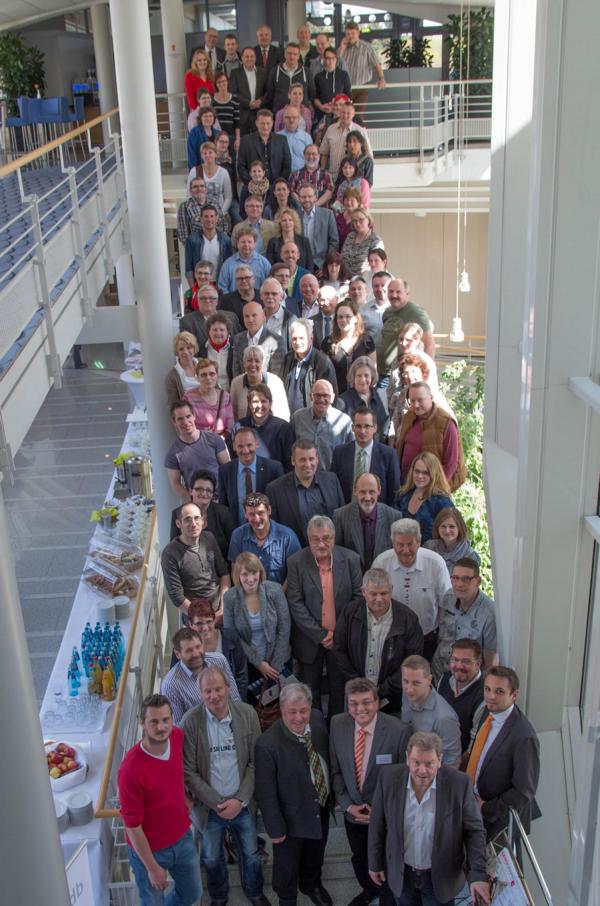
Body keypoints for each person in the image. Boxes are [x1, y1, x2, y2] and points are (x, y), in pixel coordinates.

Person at [180, 666, 270, 906]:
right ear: (200, 694)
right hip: (210, 808)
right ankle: (219, 897)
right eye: (207, 691)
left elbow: (255, 761)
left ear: (228, 688)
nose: (214, 696)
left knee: (251, 853)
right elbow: (188, 771)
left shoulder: (248, 714)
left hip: (242, 802)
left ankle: (254, 892)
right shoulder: (189, 723)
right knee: (211, 858)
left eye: (218, 689)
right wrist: (218, 803)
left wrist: (239, 799)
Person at [368, 731, 490, 906]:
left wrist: (478, 874)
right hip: (402, 876)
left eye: (429, 763)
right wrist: (374, 862)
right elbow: (377, 824)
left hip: (440, 879)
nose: (422, 771)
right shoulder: (387, 778)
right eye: (416, 763)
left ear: (440, 760)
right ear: (407, 758)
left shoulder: (459, 784)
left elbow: (474, 831)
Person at [329, 678, 410, 906]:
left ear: (377, 702)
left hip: (383, 814)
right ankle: (369, 888)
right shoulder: (337, 723)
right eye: (354, 703)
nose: (360, 709)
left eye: (366, 702)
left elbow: (404, 779)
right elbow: (336, 772)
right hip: (353, 811)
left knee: (385, 858)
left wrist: (381, 810)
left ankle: (385, 896)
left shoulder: (399, 731)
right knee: (359, 856)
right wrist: (347, 805)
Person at [118, 694, 202, 906]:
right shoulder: (130, 770)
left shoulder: (177, 736)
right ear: (142, 723)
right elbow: (132, 826)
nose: (162, 727)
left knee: (193, 893)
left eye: (166, 719)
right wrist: (153, 868)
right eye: (154, 721)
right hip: (150, 850)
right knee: (152, 902)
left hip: (182, 838)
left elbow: (177, 771)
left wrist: (184, 795)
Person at [255, 683, 332, 906]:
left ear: (310, 708)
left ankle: (311, 884)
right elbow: (265, 792)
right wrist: (275, 828)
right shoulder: (266, 744)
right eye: (292, 712)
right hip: (289, 819)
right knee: (286, 866)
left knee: (315, 853)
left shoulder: (317, 719)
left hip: (320, 805)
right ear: (281, 710)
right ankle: (287, 897)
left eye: (303, 711)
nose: (299, 718)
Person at [286, 515, 362, 716]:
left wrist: (338, 634)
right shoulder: (295, 562)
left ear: (334, 538)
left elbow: (357, 599)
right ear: (308, 539)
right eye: (315, 539)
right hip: (309, 640)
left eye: (326, 538)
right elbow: (295, 602)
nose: (321, 543)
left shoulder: (351, 560)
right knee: (310, 690)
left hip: (341, 639)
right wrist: (320, 635)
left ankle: (336, 730)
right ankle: (315, 731)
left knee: (339, 690)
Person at [334, 568, 424, 715]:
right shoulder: (349, 613)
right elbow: (339, 650)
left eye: (384, 593)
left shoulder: (408, 619)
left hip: (393, 697)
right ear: (363, 592)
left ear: (391, 590)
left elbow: (412, 660)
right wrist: (357, 684)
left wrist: (383, 689)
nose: (379, 599)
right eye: (373, 594)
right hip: (356, 694)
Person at [466, 666, 540, 841]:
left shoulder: (524, 736)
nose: (491, 696)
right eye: (488, 689)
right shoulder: (489, 711)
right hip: (473, 806)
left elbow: (524, 791)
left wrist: (486, 808)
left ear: (514, 695)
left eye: (499, 691)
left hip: (497, 821)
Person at [371, 519, 451, 660]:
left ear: (419, 542)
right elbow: (372, 602)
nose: (405, 550)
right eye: (400, 545)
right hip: (390, 640)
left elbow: (447, 603)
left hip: (428, 640)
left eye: (410, 544)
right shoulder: (381, 563)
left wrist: (444, 639)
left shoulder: (436, 563)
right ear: (393, 543)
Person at [223, 552, 291, 688]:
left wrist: (275, 666)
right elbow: (232, 636)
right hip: (248, 664)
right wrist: (259, 663)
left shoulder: (275, 590)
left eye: (254, 573)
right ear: (237, 576)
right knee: (253, 708)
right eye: (245, 574)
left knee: (282, 706)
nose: (250, 579)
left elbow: (284, 628)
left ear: (260, 572)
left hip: (278, 662)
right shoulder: (230, 597)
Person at [265, 440, 345, 546]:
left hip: (330, 551)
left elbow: (342, 518)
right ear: (293, 461)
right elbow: (273, 529)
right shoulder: (275, 489)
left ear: (317, 459)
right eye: (302, 460)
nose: (308, 464)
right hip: (295, 554)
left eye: (311, 459)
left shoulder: (332, 480)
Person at [161, 502, 231, 618]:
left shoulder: (209, 538)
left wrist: (224, 608)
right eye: (187, 520)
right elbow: (177, 597)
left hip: (221, 608)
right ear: (178, 524)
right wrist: (204, 619)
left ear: (202, 521)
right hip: (195, 617)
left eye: (197, 518)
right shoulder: (170, 554)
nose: (193, 524)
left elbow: (224, 573)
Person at [433, 560, 498, 684]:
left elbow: (490, 657)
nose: (459, 584)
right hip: (440, 671)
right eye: (455, 578)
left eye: (466, 579)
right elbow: (441, 635)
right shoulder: (448, 597)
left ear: (478, 581)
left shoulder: (489, 613)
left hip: (466, 678)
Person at [161, 628, 240, 724]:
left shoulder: (219, 660)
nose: (196, 654)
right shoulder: (171, 685)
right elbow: (179, 725)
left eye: (198, 647)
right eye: (189, 650)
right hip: (200, 734)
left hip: (230, 721)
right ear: (178, 654)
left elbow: (235, 698)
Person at [397, 382, 466, 490]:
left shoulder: (446, 423)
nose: (415, 405)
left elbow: (451, 463)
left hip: (431, 489)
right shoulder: (409, 416)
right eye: (412, 401)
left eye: (420, 400)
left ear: (431, 397)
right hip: (406, 485)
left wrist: (435, 490)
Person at [400, 656, 462, 768]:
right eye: (405, 681)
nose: (409, 689)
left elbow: (452, 762)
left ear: (429, 680)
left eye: (416, 683)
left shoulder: (444, 718)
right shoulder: (408, 694)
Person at [331, 408, 400, 507]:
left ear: (375, 428)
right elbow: (333, 487)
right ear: (352, 428)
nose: (362, 431)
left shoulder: (388, 455)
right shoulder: (339, 453)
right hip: (346, 514)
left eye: (367, 426)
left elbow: (394, 491)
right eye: (358, 426)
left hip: (378, 515)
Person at [228, 492, 301, 585]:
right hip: (247, 596)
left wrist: (279, 595)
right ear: (245, 514)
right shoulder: (237, 535)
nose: (257, 519)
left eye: (260, 513)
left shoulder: (287, 536)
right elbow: (235, 570)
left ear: (269, 510)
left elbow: (294, 573)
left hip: (280, 595)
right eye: (251, 514)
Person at [165, 401, 230, 501]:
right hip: (197, 503)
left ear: (194, 416)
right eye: (180, 419)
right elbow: (175, 483)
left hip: (221, 499)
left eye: (188, 416)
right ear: (174, 422)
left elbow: (228, 469)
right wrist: (190, 501)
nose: (185, 422)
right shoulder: (173, 453)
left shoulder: (214, 439)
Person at [333, 473, 399, 571]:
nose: (367, 498)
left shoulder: (394, 517)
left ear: (379, 490)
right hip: (353, 580)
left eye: (372, 492)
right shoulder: (340, 516)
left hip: (384, 578)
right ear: (355, 491)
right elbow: (337, 555)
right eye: (362, 492)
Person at [218, 426, 283, 526]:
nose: (245, 450)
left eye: (249, 445)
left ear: (257, 444)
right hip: (237, 533)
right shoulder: (225, 471)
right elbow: (223, 507)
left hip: (266, 531)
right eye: (240, 446)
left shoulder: (273, 468)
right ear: (234, 447)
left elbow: (279, 504)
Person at [187, 598, 248, 701]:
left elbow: (241, 674)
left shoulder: (230, 637)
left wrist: (238, 705)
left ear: (214, 620)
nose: (205, 628)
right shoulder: (184, 647)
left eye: (209, 621)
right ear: (190, 624)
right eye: (199, 623)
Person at [169, 469, 235, 560]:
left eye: (208, 490)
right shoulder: (178, 514)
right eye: (199, 489)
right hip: (189, 569)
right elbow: (174, 549)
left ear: (212, 494)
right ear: (190, 491)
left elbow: (233, 547)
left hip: (221, 569)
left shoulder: (224, 513)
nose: (204, 493)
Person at [290, 379, 353, 470]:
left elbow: (350, 454)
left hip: (332, 478)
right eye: (318, 395)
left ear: (332, 397)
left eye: (325, 396)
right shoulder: (298, 418)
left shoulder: (344, 422)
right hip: (303, 475)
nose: (321, 399)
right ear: (311, 396)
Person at [378, 279, 435, 379]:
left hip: (403, 374)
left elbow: (429, 343)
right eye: (391, 291)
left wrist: (424, 372)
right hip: (382, 373)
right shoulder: (387, 312)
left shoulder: (417, 313)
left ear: (407, 293)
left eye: (398, 292)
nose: (394, 295)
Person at [437, 639, 485, 754]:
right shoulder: (444, 679)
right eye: (455, 660)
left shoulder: (484, 694)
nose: (459, 666)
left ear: (478, 664)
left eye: (466, 661)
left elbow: (474, 746)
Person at [396, 452, 454, 543]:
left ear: (434, 474)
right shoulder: (403, 495)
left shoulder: (442, 502)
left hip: (431, 554)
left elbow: (453, 534)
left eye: (425, 473)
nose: (420, 476)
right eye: (417, 471)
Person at [236, 384, 295, 471]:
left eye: (263, 401)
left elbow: (290, 463)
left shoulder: (283, 428)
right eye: (255, 402)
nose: (259, 405)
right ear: (249, 404)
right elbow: (233, 459)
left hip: (275, 480)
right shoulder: (239, 426)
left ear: (270, 403)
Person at [282, 319, 338, 411]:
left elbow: (331, 398)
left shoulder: (323, 363)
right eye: (294, 339)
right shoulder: (288, 359)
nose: (298, 342)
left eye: (301, 338)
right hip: (289, 419)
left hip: (311, 420)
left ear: (311, 339)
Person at [320, 305, 376, 396]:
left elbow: (373, 373)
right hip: (337, 397)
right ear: (336, 320)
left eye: (348, 316)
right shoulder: (328, 343)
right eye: (340, 317)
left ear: (355, 318)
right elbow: (322, 373)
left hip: (361, 397)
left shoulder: (367, 341)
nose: (344, 320)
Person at [338, 22, 386, 118]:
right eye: (348, 34)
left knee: (359, 117)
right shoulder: (343, 48)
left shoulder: (366, 47)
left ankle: (359, 133)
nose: (350, 36)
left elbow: (376, 64)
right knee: (344, 116)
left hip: (361, 88)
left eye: (353, 33)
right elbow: (336, 64)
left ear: (358, 33)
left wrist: (381, 78)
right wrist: (342, 48)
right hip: (345, 88)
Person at [229, 345, 290, 421]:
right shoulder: (236, 383)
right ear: (244, 363)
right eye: (249, 360)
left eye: (257, 361)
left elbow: (283, 414)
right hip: (245, 429)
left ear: (263, 363)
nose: (253, 364)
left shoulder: (276, 382)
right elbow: (233, 413)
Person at [320, 101, 373, 182]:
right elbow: (324, 153)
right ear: (339, 113)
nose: (345, 115)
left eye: (348, 113)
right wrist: (323, 173)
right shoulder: (330, 129)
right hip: (331, 178)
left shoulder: (360, 131)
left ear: (353, 114)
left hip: (351, 179)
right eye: (343, 112)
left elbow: (369, 155)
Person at [182, 357, 234, 440]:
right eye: (203, 375)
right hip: (198, 445)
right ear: (197, 378)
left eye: (212, 374)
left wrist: (222, 439)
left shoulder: (225, 396)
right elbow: (185, 425)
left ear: (217, 376)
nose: (208, 378)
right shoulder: (188, 398)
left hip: (222, 444)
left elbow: (230, 424)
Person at [338, 357, 389, 440]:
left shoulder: (381, 394)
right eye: (359, 376)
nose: (363, 379)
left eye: (366, 375)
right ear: (353, 377)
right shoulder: (342, 401)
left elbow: (386, 423)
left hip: (379, 447)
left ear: (372, 376)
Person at [237, 108, 291, 185]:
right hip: (252, 188)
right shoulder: (245, 141)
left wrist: (279, 183)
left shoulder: (282, 140)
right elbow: (241, 167)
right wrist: (253, 184)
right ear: (256, 123)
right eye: (262, 123)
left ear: (272, 123)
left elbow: (287, 165)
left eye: (268, 123)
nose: (265, 127)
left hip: (275, 187)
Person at [232, 300, 285, 378]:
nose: (250, 320)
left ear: (263, 316)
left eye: (254, 315)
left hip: (267, 388)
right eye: (246, 316)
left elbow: (276, 374)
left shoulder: (276, 340)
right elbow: (236, 370)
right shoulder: (238, 339)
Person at [184, 203, 233, 289]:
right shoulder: (192, 240)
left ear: (217, 218)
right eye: (206, 216)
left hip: (220, 285)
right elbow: (189, 268)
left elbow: (228, 266)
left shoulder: (225, 240)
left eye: (212, 216)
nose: (209, 219)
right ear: (201, 219)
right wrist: (193, 290)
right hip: (200, 285)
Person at [180, 283, 239, 352]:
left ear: (217, 301)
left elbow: (239, 342)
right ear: (198, 301)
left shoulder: (232, 317)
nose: (207, 301)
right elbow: (187, 350)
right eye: (203, 298)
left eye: (211, 298)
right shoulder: (187, 322)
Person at [424, 507, 481, 575]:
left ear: (459, 528)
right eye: (443, 526)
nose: (447, 531)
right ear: (437, 528)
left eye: (451, 526)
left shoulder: (470, 556)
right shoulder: (429, 548)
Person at [298, 183, 339, 270]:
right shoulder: (295, 215)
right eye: (304, 197)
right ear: (299, 198)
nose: (307, 199)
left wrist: (326, 264)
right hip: (301, 264)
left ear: (315, 197)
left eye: (310, 196)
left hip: (321, 263)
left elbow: (334, 241)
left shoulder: (327, 214)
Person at [266, 42, 316, 114]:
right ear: (285, 54)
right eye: (289, 53)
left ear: (299, 56)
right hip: (280, 113)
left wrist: (304, 104)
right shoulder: (274, 71)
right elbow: (270, 94)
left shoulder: (307, 71)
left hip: (301, 114)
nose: (292, 57)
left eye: (295, 54)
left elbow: (312, 93)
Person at [218, 228, 271, 294]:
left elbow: (270, 285)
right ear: (237, 244)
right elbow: (222, 288)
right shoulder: (228, 264)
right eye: (243, 242)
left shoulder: (264, 263)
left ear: (254, 244)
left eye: (249, 242)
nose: (246, 245)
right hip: (234, 302)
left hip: (258, 302)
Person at [230, 47, 267, 136]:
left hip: (259, 113)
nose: (249, 59)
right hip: (242, 114)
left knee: (259, 141)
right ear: (242, 58)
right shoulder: (235, 73)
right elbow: (233, 93)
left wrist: (260, 101)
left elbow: (268, 91)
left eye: (252, 56)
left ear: (255, 58)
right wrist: (248, 103)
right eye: (246, 56)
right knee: (243, 143)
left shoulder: (263, 72)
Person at [341, 209, 384, 280]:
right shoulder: (350, 236)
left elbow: (377, 266)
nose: (357, 223)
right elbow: (342, 257)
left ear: (368, 220)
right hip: (346, 280)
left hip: (365, 281)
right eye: (354, 221)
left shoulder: (375, 240)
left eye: (361, 220)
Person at [266, 207, 314, 272]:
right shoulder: (273, 242)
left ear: (295, 222)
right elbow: (270, 266)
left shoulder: (304, 241)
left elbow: (310, 265)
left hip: (301, 278)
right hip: (280, 278)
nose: (287, 223)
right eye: (284, 220)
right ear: (279, 223)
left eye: (290, 220)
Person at [314, 48, 352, 122]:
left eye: (333, 58)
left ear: (336, 59)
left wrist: (339, 108)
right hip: (324, 114)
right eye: (328, 58)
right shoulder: (318, 77)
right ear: (324, 59)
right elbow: (315, 98)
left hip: (341, 114)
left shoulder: (344, 75)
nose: (330, 61)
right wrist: (321, 107)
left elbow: (349, 96)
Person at [165, 331, 200, 407]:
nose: (186, 352)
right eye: (181, 349)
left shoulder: (204, 364)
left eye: (189, 347)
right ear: (177, 352)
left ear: (194, 348)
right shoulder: (171, 377)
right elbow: (173, 406)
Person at [202, 312, 234, 392]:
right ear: (209, 331)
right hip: (207, 394)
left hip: (230, 393)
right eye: (214, 330)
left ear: (228, 332)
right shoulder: (201, 349)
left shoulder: (235, 347)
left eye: (222, 330)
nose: (218, 333)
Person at [359, 270, 391, 345]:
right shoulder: (362, 310)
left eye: (383, 285)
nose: (379, 289)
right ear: (372, 288)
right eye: (376, 286)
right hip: (369, 355)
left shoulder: (397, 309)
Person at [277, 106, 313, 171]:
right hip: (282, 176)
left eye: (294, 117)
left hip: (301, 176)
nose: (291, 120)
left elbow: (310, 158)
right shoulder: (277, 136)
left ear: (299, 119)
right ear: (284, 119)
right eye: (288, 117)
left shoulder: (306, 137)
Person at [212, 73, 241, 150]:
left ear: (228, 82)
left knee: (230, 161)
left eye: (224, 81)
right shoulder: (212, 101)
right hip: (216, 137)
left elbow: (237, 122)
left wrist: (238, 139)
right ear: (216, 84)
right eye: (219, 82)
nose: (222, 84)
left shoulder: (235, 100)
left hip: (230, 137)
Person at [177, 175, 207, 244]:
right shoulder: (184, 207)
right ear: (191, 190)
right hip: (197, 247)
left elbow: (223, 225)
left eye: (202, 186)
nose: (199, 189)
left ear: (206, 189)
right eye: (195, 187)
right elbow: (183, 234)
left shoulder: (214, 203)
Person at [185, 48, 215, 116]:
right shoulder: (189, 76)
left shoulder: (210, 75)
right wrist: (198, 113)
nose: (202, 62)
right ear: (195, 62)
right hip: (197, 112)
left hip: (210, 111)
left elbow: (213, 95)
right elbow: (191, 99)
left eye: (205, 60)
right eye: (199, 60)